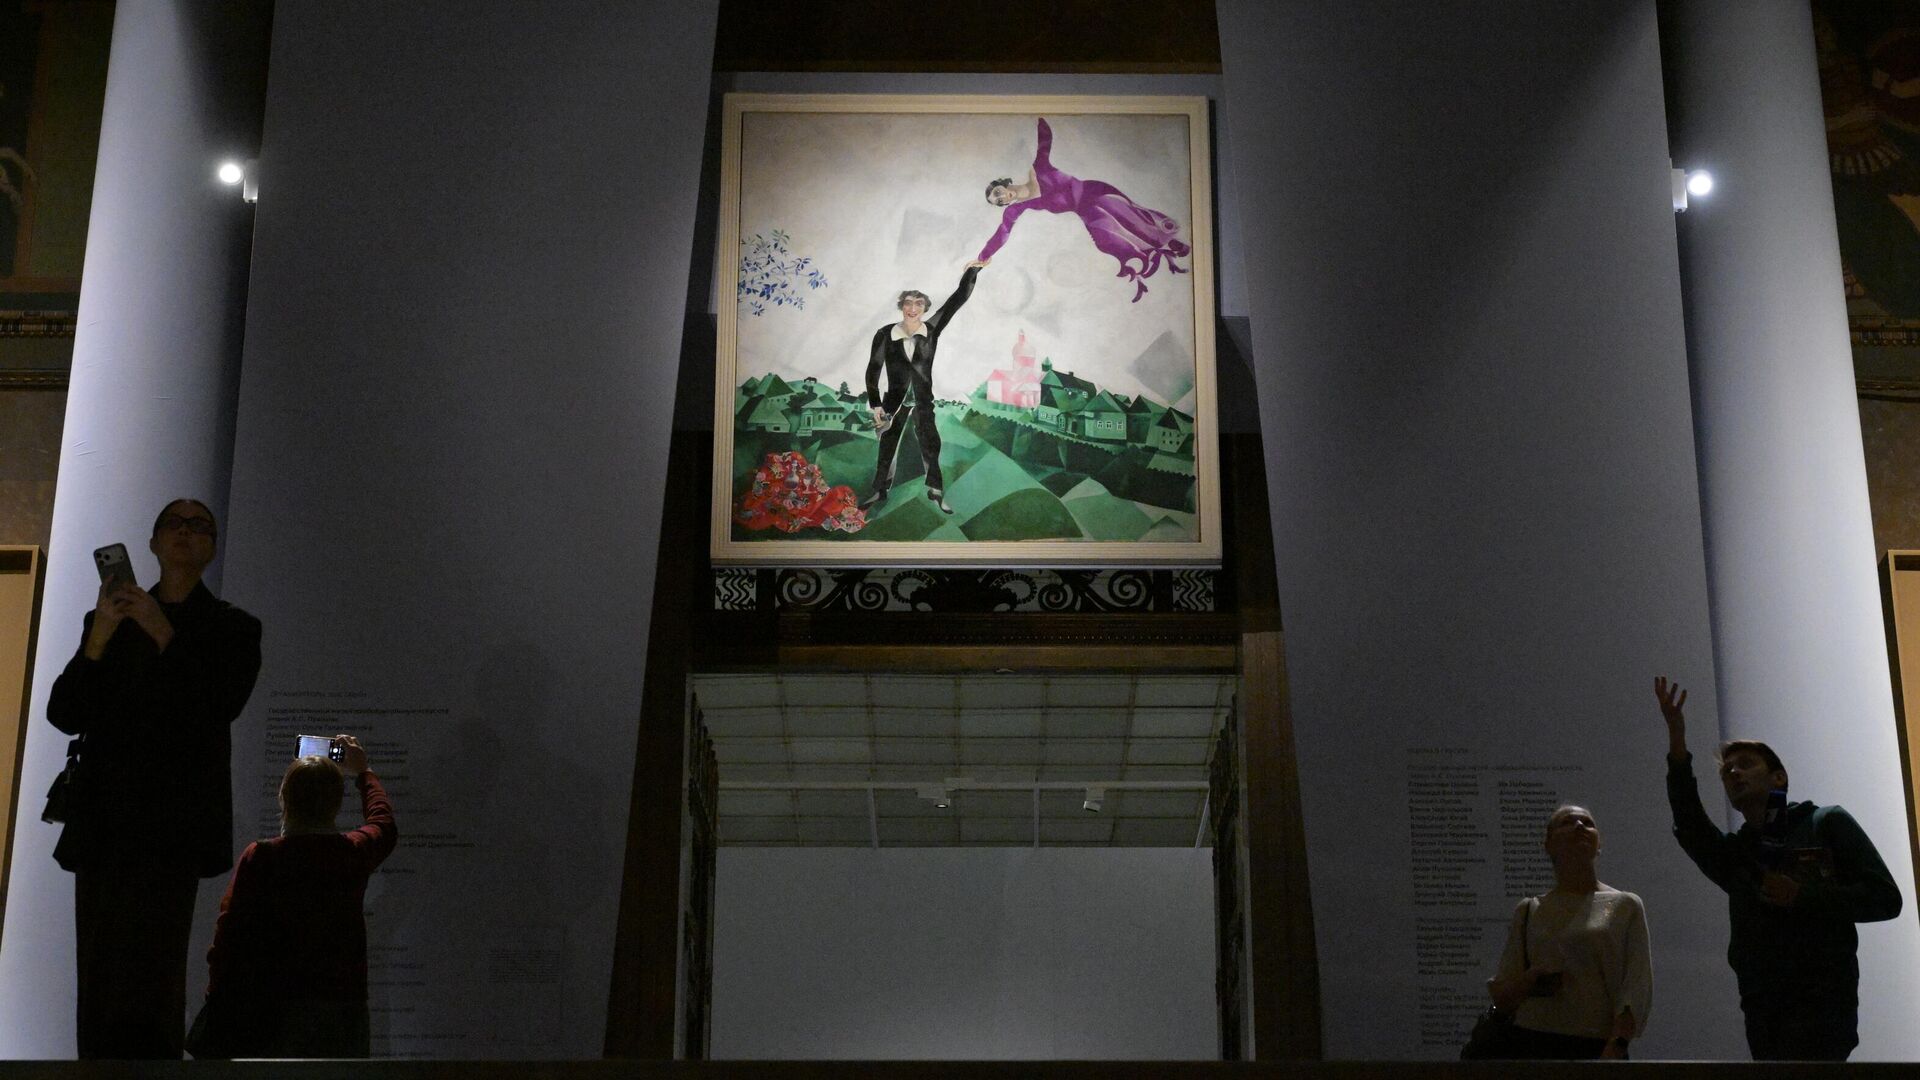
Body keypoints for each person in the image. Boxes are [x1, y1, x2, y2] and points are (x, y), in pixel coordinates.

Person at [46, 498, 262, 1059]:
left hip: (173, 828)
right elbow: (64, 712)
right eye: (174, 523)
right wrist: (100, 635)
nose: (185, 532)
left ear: (212, 548)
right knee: (98, 976)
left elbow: (219, 703)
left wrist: (163, 630)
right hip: (104, 822)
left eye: (199, 526)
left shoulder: (233, 627)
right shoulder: (109, 620)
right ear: (152, 543)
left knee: (155, 976)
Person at [1653, 676, 1903, 1060]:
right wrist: (1677, 743)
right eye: (1727, 771)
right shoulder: (1736, 856)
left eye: (1745, 764)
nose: (1733, 773)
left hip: (1824, 999)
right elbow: (1690, 823)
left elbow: (1885, 899)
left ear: (1778, 778)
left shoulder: (1826, 822)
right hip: (1763, 1006)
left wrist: (1804, 895)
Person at [196, 735, 397, 1058]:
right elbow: (383, 823)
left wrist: (217, 998)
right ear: (335, 803)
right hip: (341, 1008)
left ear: (284, 798)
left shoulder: (262, 856)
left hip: (271, 1008)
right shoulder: (351, 853)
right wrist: (363, 772)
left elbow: (229, 934)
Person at [1483, 805, 1652, 1059]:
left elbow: (1636, 985)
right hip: (1530, 1040)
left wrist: (1617, 1044)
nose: (1580, 826)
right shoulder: (1530, 909)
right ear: (1549, 845)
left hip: (1597, 1043)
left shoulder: (1625, 905)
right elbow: (1504, 992)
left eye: (1588, 822)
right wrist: (1531, 978)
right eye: (1567, 822)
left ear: (1599, 844)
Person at [977, 117, 1191, 303]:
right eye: (999, 201)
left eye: (998, 192)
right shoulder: (1017, 209)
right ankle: (1157, 253)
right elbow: (1002, 234)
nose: (1002, 197)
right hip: (1086, 212)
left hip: (1095, 193)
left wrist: (1038, 115)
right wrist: (982, 257)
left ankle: (1170, 240)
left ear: (1003, 184)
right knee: (1108, 241)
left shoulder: (1037, 170)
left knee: (1133, 220)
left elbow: (1045, 140)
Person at [862, 260, 988, 516]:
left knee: (931, 444)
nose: (913, 308)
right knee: (887, 446)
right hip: (892, 403)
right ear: (901, 307)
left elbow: (957, 300)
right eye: (908, 303)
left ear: (925, 309)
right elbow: (873, 369)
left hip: (922, 401)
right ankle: (879, 491)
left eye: (918, 304)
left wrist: (973, 270)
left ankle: (936, 491)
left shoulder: (931, 330)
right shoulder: (884, 334)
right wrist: (875, 405)